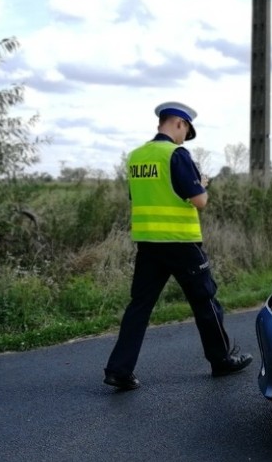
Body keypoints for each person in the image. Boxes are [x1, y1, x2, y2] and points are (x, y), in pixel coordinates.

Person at [103, 101, 252, 390]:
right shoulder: (176, 154)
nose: (185, 138)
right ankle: (221, 360)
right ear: (179, 124)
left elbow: (142, 197)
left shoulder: (136, 156)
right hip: (182, 244)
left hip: (148, 244)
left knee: (140, 307)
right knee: (205, 301)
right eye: (186, 131)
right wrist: (202, 184)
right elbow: (200, 200)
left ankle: (119, 370)